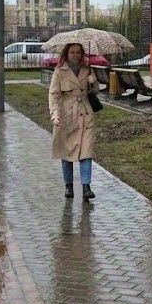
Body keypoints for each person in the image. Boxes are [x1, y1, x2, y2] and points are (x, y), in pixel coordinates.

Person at [49, 42, 100, 200]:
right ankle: (69, 186)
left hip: (86, 113)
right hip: (67, 115)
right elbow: (54, 95)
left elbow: (96, 91)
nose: (75, 55)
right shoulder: (59, 72)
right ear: (66, 54)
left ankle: (86, 187)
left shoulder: (87, 69)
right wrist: (55, 114)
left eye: (78, 52)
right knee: (67, 151)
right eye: (72, 52)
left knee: (86, 151)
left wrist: (93, 82)